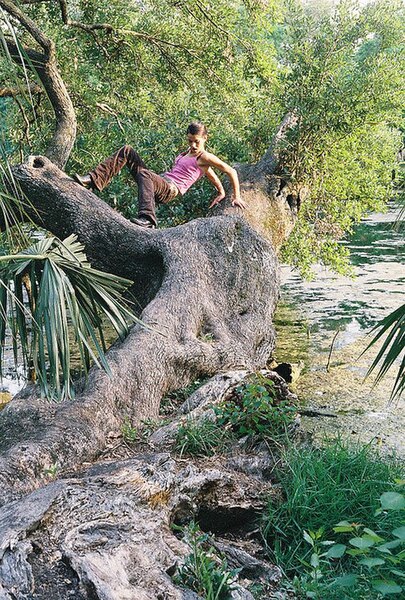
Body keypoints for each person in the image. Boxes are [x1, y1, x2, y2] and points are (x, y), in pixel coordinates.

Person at [73, 122, 246, 229]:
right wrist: (220, 191)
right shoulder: (187, 153)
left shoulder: (205, 157)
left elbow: (231, 171)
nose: (193, 145)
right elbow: (209, 175)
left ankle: (148, 219)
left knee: (146, 175)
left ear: (205, 138)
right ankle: (93, 180)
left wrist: (235, 196)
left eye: (197, 142)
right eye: (190, 141)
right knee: (127, 151)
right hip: (161, 181)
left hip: (170, 189)